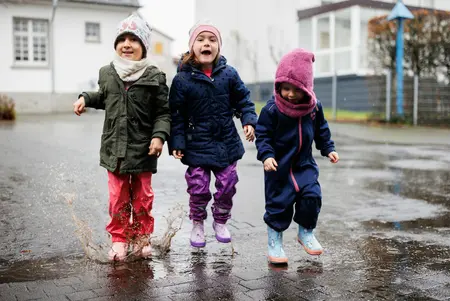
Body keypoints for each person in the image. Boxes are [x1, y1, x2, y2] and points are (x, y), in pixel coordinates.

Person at [72, 14, 171, 261]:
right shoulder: (107, 73)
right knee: (117, 198)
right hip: (114, 148)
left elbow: (163, 113)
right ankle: (119, 239)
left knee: (142, 198)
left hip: (143, 149)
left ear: (144, 46)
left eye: (134, 39)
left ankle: (141, 237)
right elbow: (103, 96)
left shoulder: (154, 76)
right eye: (122, 39)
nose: (126, 44)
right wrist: (86, 98)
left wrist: (159, 137)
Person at [168, 20, 257, 248]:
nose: (206, 44)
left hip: (225, 143)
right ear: (192, 47)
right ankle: (198, 222)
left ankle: (220, 220)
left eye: (212, 40)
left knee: (228, 184)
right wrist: (176, 141)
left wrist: (248, 120)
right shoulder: (182, 80)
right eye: (200, 39)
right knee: (198, 187)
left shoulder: (229, 74)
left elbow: (244, 100)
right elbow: (176, 114)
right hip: (196, 143)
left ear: (219, 46)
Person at [255, 48, 339, 264]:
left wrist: (328, 147)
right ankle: (275, 243)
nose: (291, 94)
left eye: (297, 89)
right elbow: (262, 135)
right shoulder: (272, 110)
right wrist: (266, 156)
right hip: (278, 168)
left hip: (304, 166)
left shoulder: (313, 108)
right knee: (278, 206)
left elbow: (321, 129)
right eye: (285, 88)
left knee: (312, 196)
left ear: (307, 89)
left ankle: (306, 232)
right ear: (278, 86)